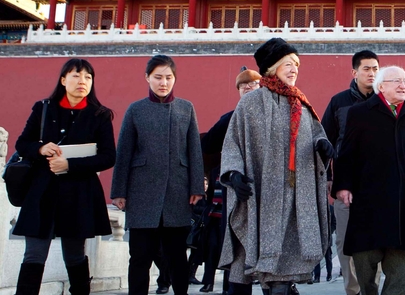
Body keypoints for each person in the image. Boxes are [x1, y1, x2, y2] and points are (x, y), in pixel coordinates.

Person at [219, 38, 334, 295]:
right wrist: (233, 174)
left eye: (297, 64)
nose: (294, 69)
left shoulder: (302, 106)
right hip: (258, 194)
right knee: (244, 269)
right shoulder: (250, 103)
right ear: (272, 68)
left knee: (283, 268)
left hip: (293, 197)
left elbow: (316, 135)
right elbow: (233, 143)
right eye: (288, 64)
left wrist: (322, 146)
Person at [11, 58, 116, 295]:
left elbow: (109, 156)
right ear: (63, 80)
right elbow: (21, 143)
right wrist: (39, 148)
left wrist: (69, 164)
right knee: (34, 254)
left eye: (88, 77)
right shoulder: (43, 108)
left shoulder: (99, 115)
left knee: (75, 254)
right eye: (76, 75)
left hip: (78, 194)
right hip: (42, 192)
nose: (82, 81)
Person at [111, 54, 205, 295]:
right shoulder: (136, 110)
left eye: (168, 77)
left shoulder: (186, 108)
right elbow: (124, 153)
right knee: (140, 255)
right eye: (158, 77)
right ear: (147, 78)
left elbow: (194, 149)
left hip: (178, 190)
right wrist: (119, 191)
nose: (163, 82)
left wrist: (196, 186)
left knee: (176, 255)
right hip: (141, 191)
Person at [334, 66, 405, 295]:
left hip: (403, 207)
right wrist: (343, 185)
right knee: (365, 263)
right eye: (397, 81)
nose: (403, 85)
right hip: (369, 202)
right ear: (381, 86)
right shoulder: (360, 113)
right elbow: (347, 153)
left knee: (398, 272)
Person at [320, 50, 380, 295]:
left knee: (376, 240)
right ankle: (353, 290)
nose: (372, 73)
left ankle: (371, 288)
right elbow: (324, 140)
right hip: (346, 183)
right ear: (354, 72)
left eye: (376, 68)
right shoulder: (339, 102)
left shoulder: (385, 100)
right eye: (366, 69)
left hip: (378, 184)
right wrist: (328, 177)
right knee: (344, 240)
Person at [201, 67, 263, 295]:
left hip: (266, 193)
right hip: (236, 193)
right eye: (243, 86)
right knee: (236, 247)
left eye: (252, 84)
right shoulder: (230, 118)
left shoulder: (270, 115)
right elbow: (207, 146)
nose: (248, 88)